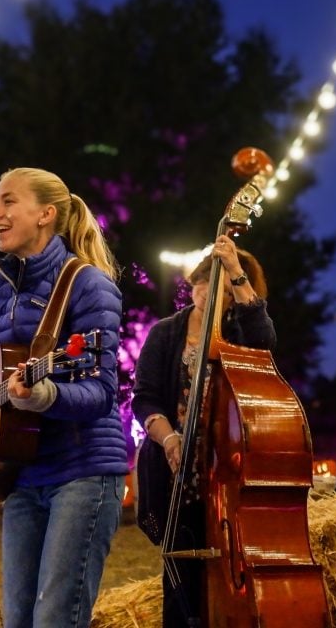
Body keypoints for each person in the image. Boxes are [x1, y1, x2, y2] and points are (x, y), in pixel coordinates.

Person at [0, 167, 127, 628]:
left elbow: (100, 392)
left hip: (83, 471)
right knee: (16, 619)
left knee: (56, 617)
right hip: (21, 472)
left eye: (8, 201)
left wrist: (44, 395)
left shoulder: (89, 286)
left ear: (45, 214)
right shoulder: (1, 289)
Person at [131, 236, 274, 627]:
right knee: (180, 583)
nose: (208, 291)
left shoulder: (241, 331)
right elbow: (144, 399)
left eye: (222, 287)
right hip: (176, 467)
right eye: (201, 281)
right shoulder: (164, 333)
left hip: (229, 470)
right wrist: (169, 438)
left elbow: (265, 342)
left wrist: (237, 273)